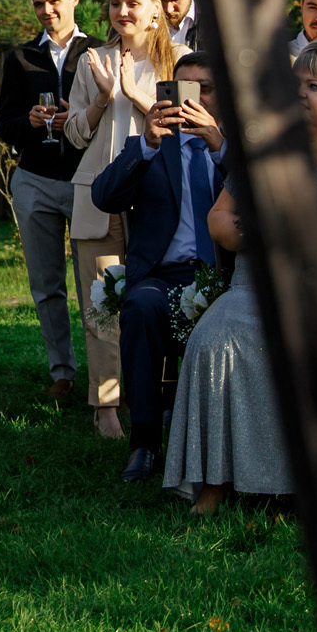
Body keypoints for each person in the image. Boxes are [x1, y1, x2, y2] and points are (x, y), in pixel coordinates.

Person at [173, 45, 317, 517]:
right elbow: (220, 219)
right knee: (216, 337)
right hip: (262, 287)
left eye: (314, 86)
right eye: (294, 85)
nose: (298, 94)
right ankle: (217, 482)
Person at [88, 50, 228, 480]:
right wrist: (147, 145)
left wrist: (219, 144)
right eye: (183, 88)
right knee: (142, 308)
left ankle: (226, 444)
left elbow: (268, 197)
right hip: (165, 275)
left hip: (228, 278)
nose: (193, 98)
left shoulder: (239, 147)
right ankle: (145, 444)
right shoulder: (150, 144)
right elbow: (103, 197)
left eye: (204, 88)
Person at [64, 0, 185, 441]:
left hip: (157, 200)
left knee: (152, 302)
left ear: (156, 8)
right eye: (115, 3)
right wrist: (101, 100)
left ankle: (158, 396)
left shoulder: (180, 61)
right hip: (96, 196)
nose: (122, 12)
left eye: (133, 3)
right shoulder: (92, 60)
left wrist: (134, 96)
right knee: (102, 304)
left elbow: (180, 127)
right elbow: (73, 133)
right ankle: (106, 405)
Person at [0, 0, 93, 403]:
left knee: (98, 284)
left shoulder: (98, 52)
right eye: (38, 4)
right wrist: (29, 124)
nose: (46, 10)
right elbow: (4, 125)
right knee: (46, 284)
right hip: (34, 180)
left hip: (87, 181)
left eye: (54, 0)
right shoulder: (20, 58)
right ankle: (63, 372)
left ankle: (108, 372)